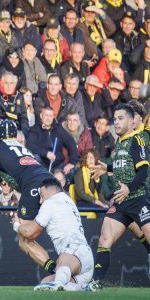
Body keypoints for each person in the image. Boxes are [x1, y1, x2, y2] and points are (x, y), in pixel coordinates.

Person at [0, 119, 58, 276]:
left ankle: (57, 272)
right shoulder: (24, 149)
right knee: (58, 230)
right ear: (15, 135)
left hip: (32, 187)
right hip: (53, 183)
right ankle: (73, 269)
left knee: (25, 240)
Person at [88, 104, 150, 290]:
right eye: (115, 119)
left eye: (121, 118)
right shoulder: (120, 142)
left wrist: (129, 189)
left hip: (139, 199)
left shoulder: (137, 139)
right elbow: (125, 166)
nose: (116, 122)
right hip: (121, 203)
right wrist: (107, 168)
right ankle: (96, 283)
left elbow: (143, 170)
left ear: (132, 122)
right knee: (104, 239)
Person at [14, 178, 94, 291]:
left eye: (41, 195)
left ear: (50, 190)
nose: (40, 201)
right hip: (84, 260)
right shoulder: (68, 200)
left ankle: (59, 283)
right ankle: (83, 287)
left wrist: (17, 225)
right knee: (45, 283)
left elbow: (29, 233)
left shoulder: (50, 202)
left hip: (74, 253)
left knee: (60, 267)